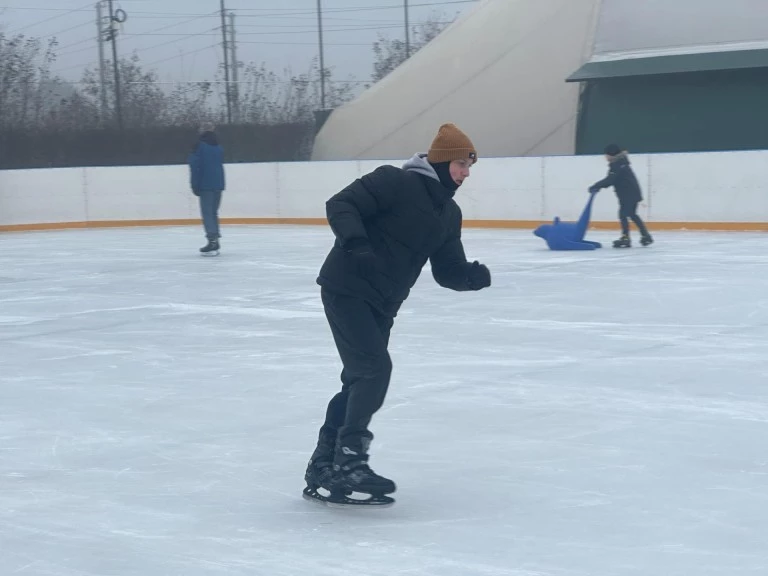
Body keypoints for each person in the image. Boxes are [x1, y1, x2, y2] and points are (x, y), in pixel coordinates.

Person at [304, 123, 492, 505]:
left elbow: (446, 271)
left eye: (469, 166)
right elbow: (341, 204)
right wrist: (356, 244)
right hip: (347, 287)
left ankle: (324, 464)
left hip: (383, 304)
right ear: (441, 162)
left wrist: (470, 277)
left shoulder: (448, 213)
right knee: (374, 370)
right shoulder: (395, 181)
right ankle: (351, 459)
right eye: (461, 164)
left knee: (358, 379)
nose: (466, 173)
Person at [589, 144, 653, 248]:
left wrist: (596, 186)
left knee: (623, 214)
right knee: (632, 214)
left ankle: (626, 238)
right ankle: (645, 236)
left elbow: (610, 180)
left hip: (628, 194)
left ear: (611, 154)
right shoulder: (622, 163)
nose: (605, 157)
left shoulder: (617, 165)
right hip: (632, 193)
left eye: (606, 154)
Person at [188, 123, 225, 255]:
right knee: (213, 213)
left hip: (206, 185)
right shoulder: (218, 147)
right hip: (218, 184)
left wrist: (194, 185)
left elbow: (195, 166)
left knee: (207, 213)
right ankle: (215, 238)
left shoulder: (200, 146)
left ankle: (212, 240)